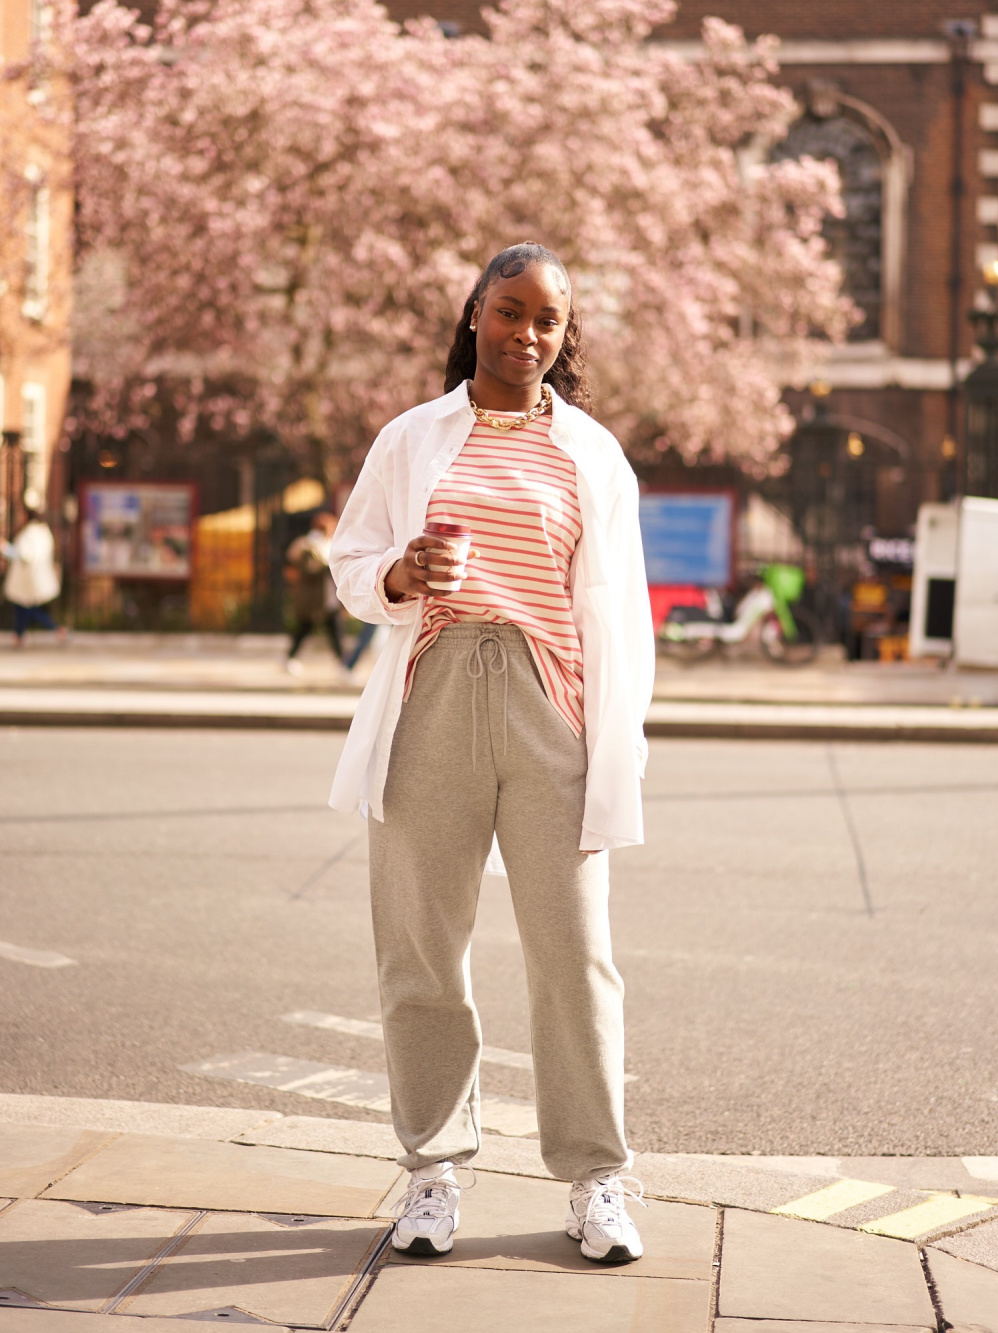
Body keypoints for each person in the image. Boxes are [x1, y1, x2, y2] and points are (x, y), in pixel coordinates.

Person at [328, 243, 655, 1263]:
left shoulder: (593, 453)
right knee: (421, 946)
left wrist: (612, 744)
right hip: (432, 695)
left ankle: (596, 1179)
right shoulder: (413, 437)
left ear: (565, 335)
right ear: (475, 312)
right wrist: (399, 570)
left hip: (548, 701)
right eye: (509, 310)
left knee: (574, 952)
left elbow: (624, 618)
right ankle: (431, 1168)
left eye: (547, 319)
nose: (527, 333)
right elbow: (349, 566)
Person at [284, 511, 342, 675]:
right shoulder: (309, 546)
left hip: (327, 596)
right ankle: (290, 658)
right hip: (313, 596)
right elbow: (309, 569)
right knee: (305, 628)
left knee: (334, 629)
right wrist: (328, 565)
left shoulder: (328, 544)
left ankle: (342, 662)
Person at [2, 505, 65, 647]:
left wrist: (5, 549)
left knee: (27, 610)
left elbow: (24, 555)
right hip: (34, 579)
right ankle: (19, 637)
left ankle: (56, 628)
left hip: (27, 580)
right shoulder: (44, 533)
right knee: (23, 609)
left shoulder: (29, 534)